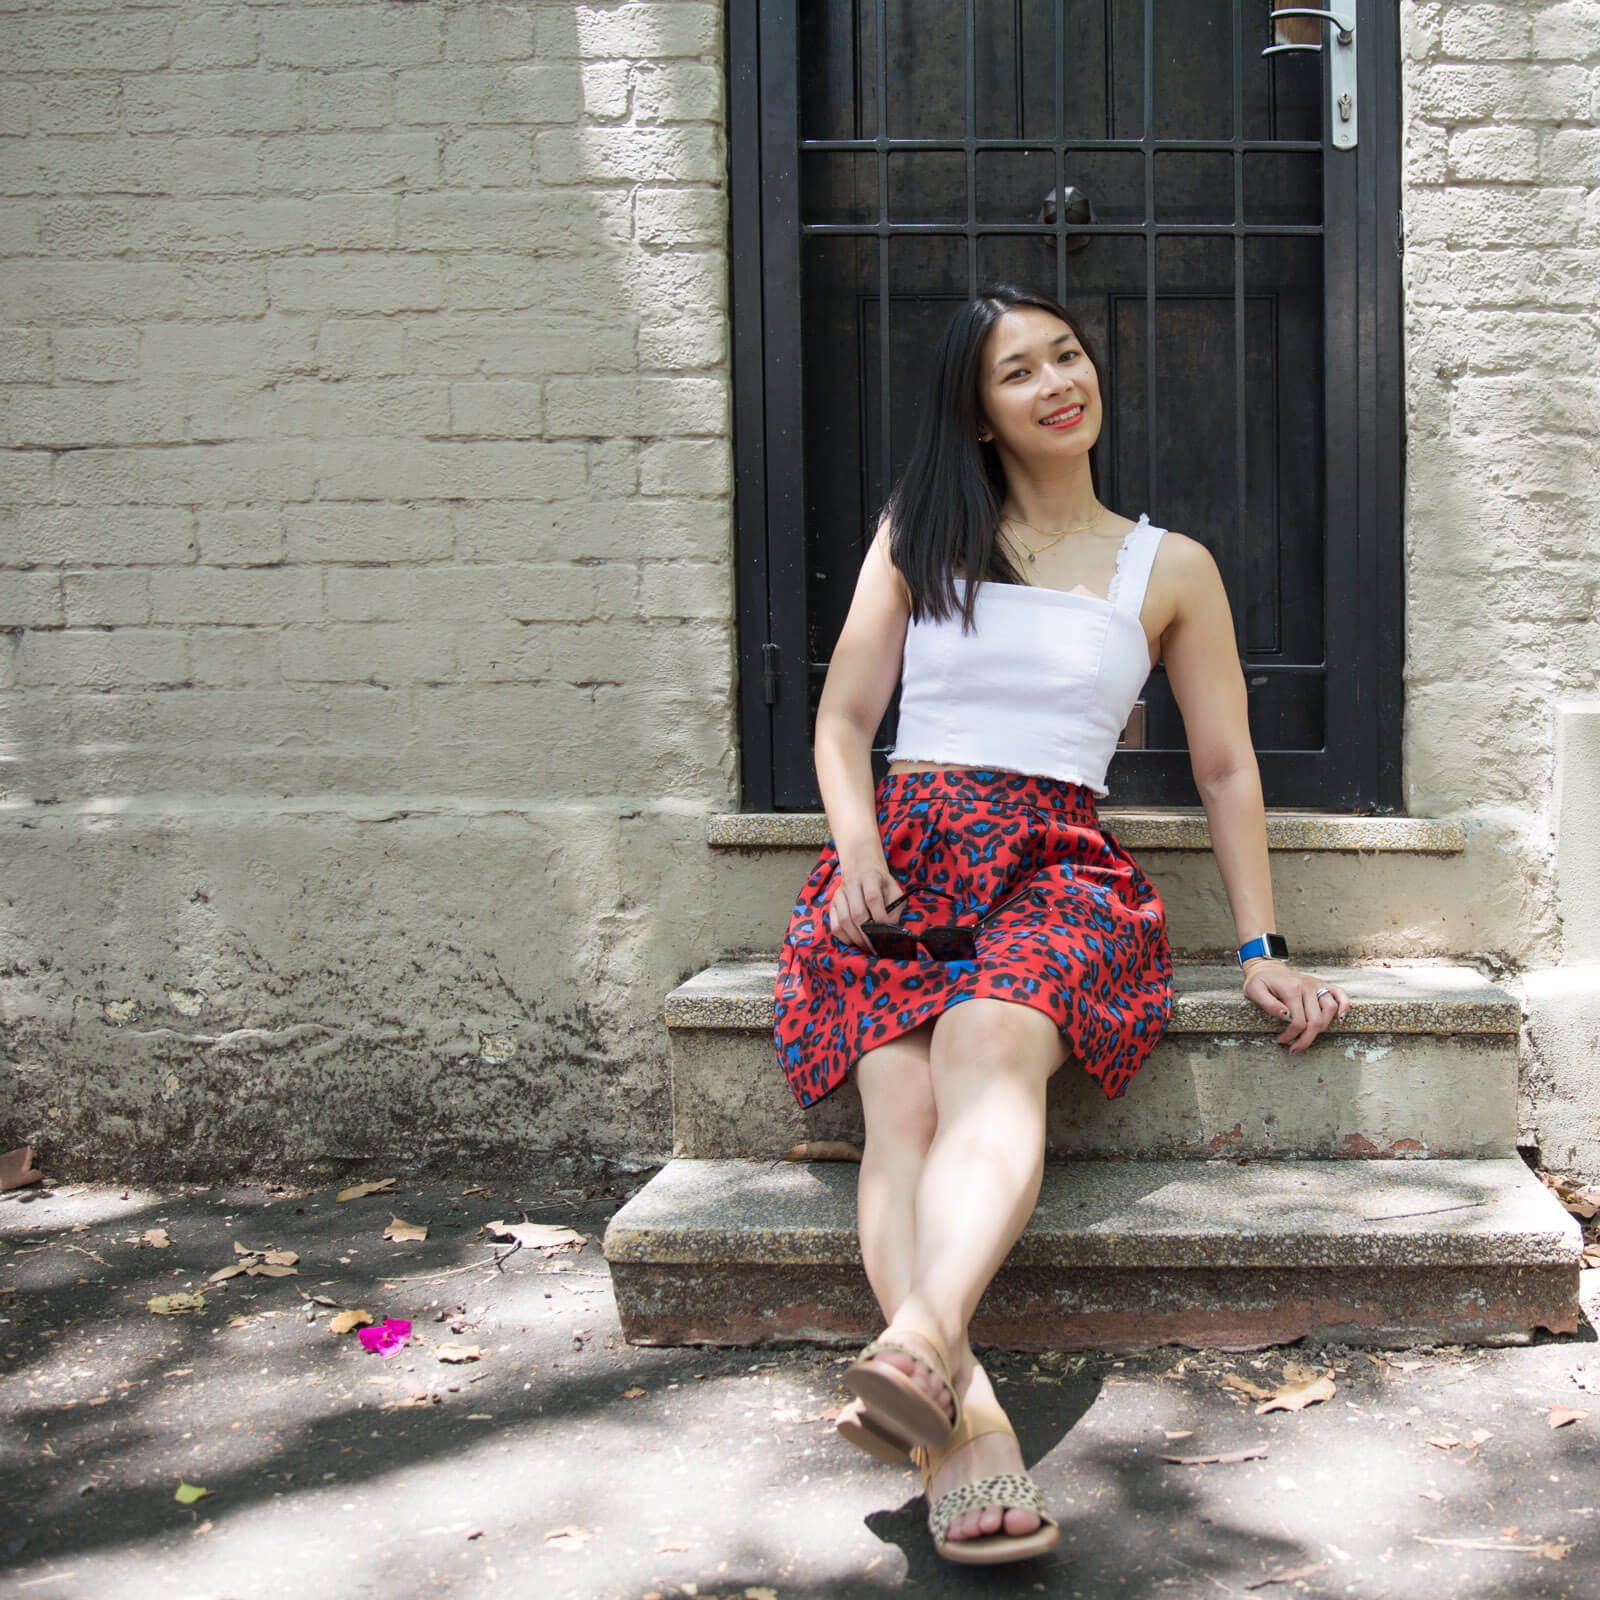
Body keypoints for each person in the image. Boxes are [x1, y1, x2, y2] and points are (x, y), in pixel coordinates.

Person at [770, 283, 1352, 1566]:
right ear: (977, 416)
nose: (1055, 383)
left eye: (1068, 355)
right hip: (906, 859)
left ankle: (919, 1341)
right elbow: (841, 720)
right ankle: (966, 1423)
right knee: (901, 1099)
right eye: (1016, 372)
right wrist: (859, 846)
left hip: (1057, 866)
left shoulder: (1170, 566)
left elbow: (1225, 770)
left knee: (985, 1043)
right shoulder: (917, 532)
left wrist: (1259, 947)